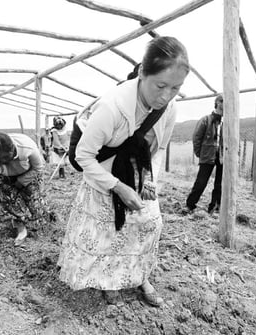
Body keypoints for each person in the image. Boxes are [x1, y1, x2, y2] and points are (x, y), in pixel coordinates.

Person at [58, 36, 189, 307]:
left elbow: (160, 147)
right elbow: (84, 156)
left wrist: (151, 184)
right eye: (161, 85)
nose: (166, 95)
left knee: (149, 225)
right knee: (108, 230)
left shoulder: (170, 107)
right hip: (102, 171)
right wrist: (117, 186)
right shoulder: (112, 107)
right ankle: (109, 281)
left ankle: (140, 276)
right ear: (142, 73)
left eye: (175, 88)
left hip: (139, 170)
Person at [0, 132, 50, 245]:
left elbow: (38, 168)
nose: (3, 161)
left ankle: (42, 213)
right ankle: (20, 225)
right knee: (6, 193)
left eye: (5, 157)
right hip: (7, 178)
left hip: (30, 173)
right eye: (0, 159)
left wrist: (21, 181)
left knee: (38, 215)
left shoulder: (27, 147)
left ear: (12, 149)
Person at [182, 95, 224, 215]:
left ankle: (214, 206)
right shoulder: (205, 120)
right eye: (222, 101)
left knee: (219, 183)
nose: (225, 104)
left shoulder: (227, 121)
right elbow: (197, 138)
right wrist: (200, 153)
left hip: (222, 156)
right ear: (217, 103)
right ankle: (190, 205)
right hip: (207, 155)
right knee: (201, 182)